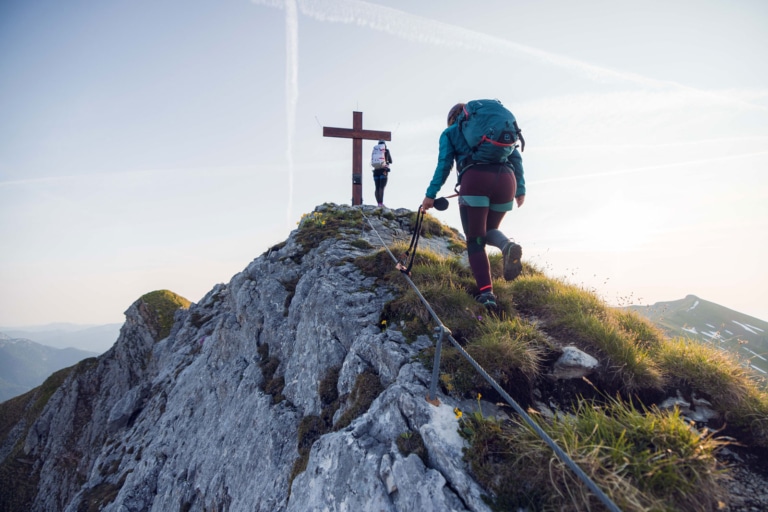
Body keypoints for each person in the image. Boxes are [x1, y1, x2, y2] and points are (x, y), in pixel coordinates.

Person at [421, 102, 526, 309]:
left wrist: (430, 195)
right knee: (489, 230)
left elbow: (444, 165)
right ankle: (507, 246)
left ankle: (486, 294)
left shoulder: (450, 132)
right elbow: (516, 156)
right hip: (507, 181)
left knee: (475, 239)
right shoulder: (492, 130)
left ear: (454, 118)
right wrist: (520, 189)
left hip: (476, 180)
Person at [371, 140, 393, 207]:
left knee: (376, 187)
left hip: (375, 171)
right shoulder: (386, 151)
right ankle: (381, 203)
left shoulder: (375, 151)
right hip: (383, 171)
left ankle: (378, 203)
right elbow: (391, 161)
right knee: (381, 187)